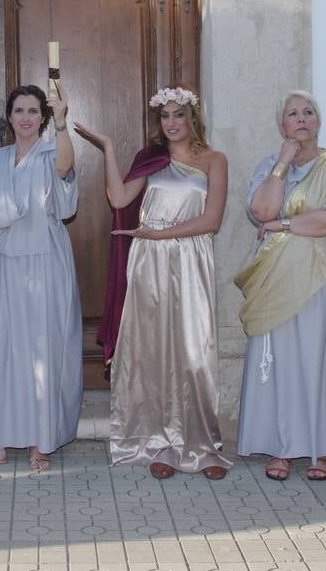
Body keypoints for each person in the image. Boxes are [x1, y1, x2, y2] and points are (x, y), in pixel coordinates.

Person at [76, 85, 232, 480]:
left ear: (193, 117)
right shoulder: (151, 160)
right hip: (150, 263)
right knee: (155, 352)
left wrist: (160, 235)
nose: (172, 123)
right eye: (165, 116)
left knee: (194, 352)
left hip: (191, 256)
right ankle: (161, 442)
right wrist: (109, 148)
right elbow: (118, 198)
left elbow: (211, 220)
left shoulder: (214, 160)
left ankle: (202, 445)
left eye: (179, 114)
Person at [236, 90, 326, 482]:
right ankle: (282, 446)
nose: (301, 119)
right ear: (283, 126)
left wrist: (282, 224)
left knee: (322, 358)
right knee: (280, 360)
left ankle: (323, 447)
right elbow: (261, 210)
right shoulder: (269, 165)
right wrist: (281, 164)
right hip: (278, 275)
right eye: (292, 114)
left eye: (308, 112)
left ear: (318, 122)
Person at [0, 83, 82, 472]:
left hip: (43, 263)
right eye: (19, 110)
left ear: (42, 117)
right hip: (3, 264)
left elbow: (64, 171)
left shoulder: (50, 151)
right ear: (9, 117)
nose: (26, 117)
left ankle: (39, 443)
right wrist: (2, 225)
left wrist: (62, 126)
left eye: (33, 111)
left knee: (40, 352)